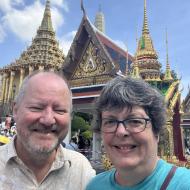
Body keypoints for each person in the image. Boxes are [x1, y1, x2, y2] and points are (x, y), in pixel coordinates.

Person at [86, 76, 190, 190]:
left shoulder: (184, 184)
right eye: (110, 121)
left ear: (156, 132)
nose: (121, 131)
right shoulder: (95, 185)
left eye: (135, 121)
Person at [0, 71, 95, 189]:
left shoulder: (81, 169)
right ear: (15, 110)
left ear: (70, 116)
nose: (48, 120)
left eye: (60, 110)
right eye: (36, 108)